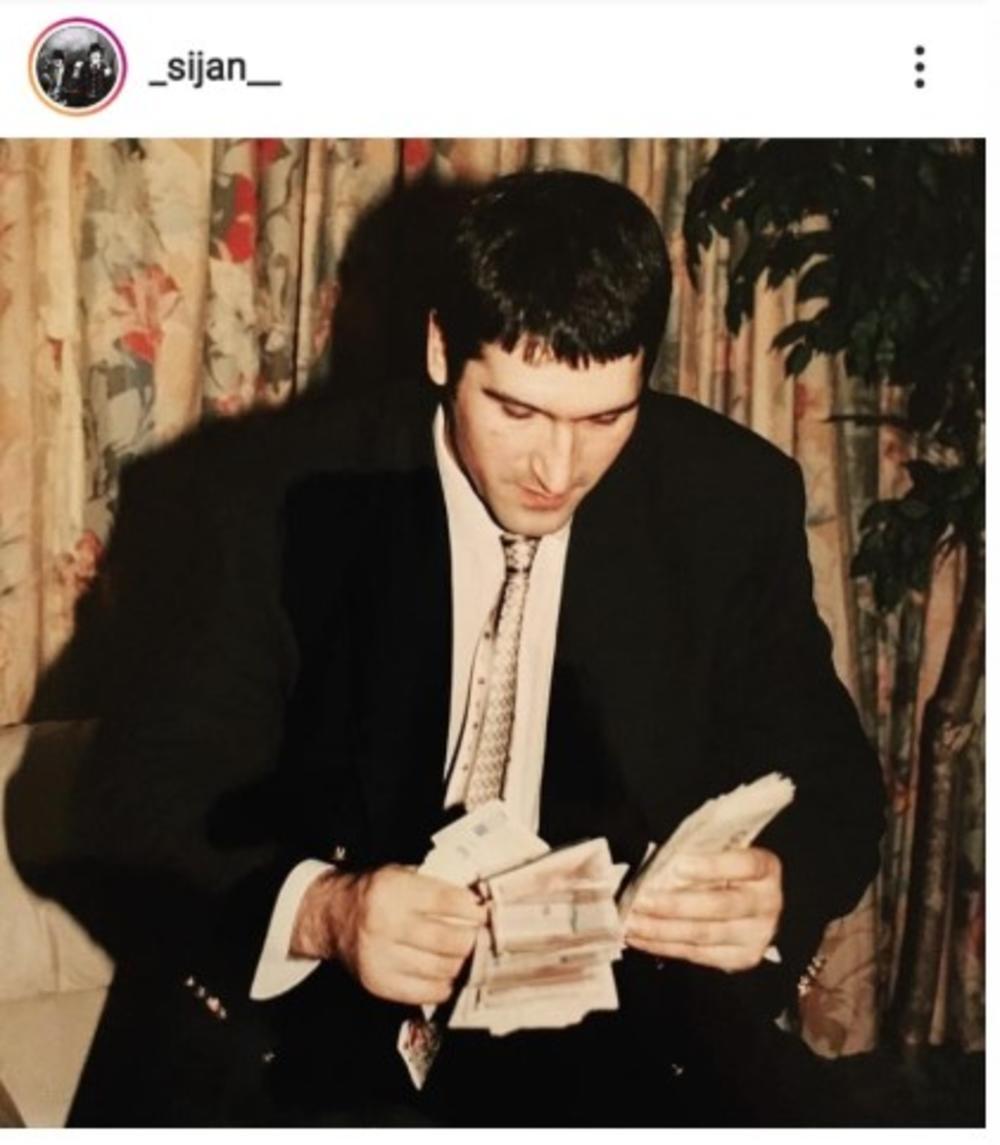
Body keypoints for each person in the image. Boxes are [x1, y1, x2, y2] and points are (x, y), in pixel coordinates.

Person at [12, 170, 884, 1126]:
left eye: (604, 418)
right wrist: (325, 911)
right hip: (294, 1042)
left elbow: (835, 784)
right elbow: (130, 795)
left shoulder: (724, 500)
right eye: (516, 410)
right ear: (440, 349)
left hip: (608, 1049)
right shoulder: (264, 499)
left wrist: (777, 885)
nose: (558, 470)